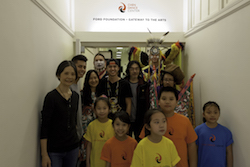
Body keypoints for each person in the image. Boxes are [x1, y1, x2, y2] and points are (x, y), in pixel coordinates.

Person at [139, 87, 198, 167]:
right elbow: (143, 143)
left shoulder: (185, 121)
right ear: (158, 101)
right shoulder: (152, 120)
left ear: (177, 102)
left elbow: (191, 145)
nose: (167, 102)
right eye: (164, 99)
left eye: (171, 99)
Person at [40, 60, 80, 167]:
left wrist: (78, 146)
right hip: (54, 151)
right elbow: (44, 127)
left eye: (72, 74)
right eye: (66, 73)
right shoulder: (51, 97)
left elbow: (73, 122)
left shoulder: (76, 96)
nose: (69, 77)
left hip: (73, 148)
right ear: (58, 75)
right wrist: (44, 155)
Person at [195, 101, 233, 167]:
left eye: (215, 112)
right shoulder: (198, 130)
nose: (212, 115)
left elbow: (229, 153)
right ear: (203, 114)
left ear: (219, 114)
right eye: (209, 112)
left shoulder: (226, 132)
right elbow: (194, 151)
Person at [83, 96, 115, 167]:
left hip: (110, 163)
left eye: (104, 108)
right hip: (95, 162)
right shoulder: (91, 125)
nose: (102, 111)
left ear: (109, 109)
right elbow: (89, 145)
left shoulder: (113, 125)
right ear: (94, 110)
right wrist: (87, 162)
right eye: (99, 108)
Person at [124, 61, 149, 142]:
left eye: (136, 69)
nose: (134, 71)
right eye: (132, 69)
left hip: (140, 120)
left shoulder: (144, 85)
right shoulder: (123, 83)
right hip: (126, 119)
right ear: (128, 70)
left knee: (140, 142)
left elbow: (147, 104)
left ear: (139, 70)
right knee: (126, 142)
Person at [78, 70, 99, 166]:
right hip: (85, 128)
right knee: (85, 153)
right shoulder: (82, 94)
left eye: (95, 78)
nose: (93, 80)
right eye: (91, 78)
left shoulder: (102, 95)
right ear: (87, 80)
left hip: (98, 127)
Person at [71, 55, 88, 141]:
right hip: (72, 136)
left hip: (78, 136)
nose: (82, 70)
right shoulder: (69, 88)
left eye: (84, 67)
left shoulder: (77, 86)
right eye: (80, 66)